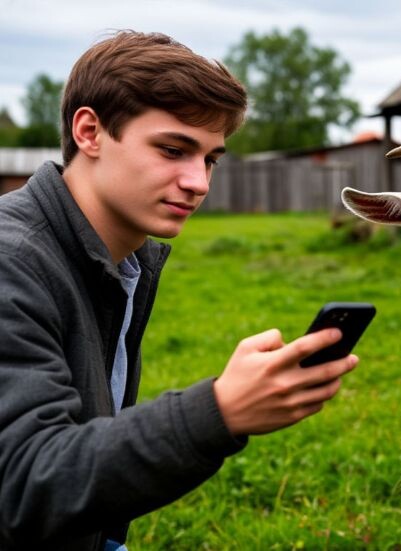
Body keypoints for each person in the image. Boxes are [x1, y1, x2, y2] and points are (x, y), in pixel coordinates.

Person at [0, 32, 358, 550]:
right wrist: (219, 411)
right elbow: (22, 482)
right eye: (173, 150)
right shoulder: (13, 262)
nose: (199, 182)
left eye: (210, 159)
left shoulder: (120, 259)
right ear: (89, 132)